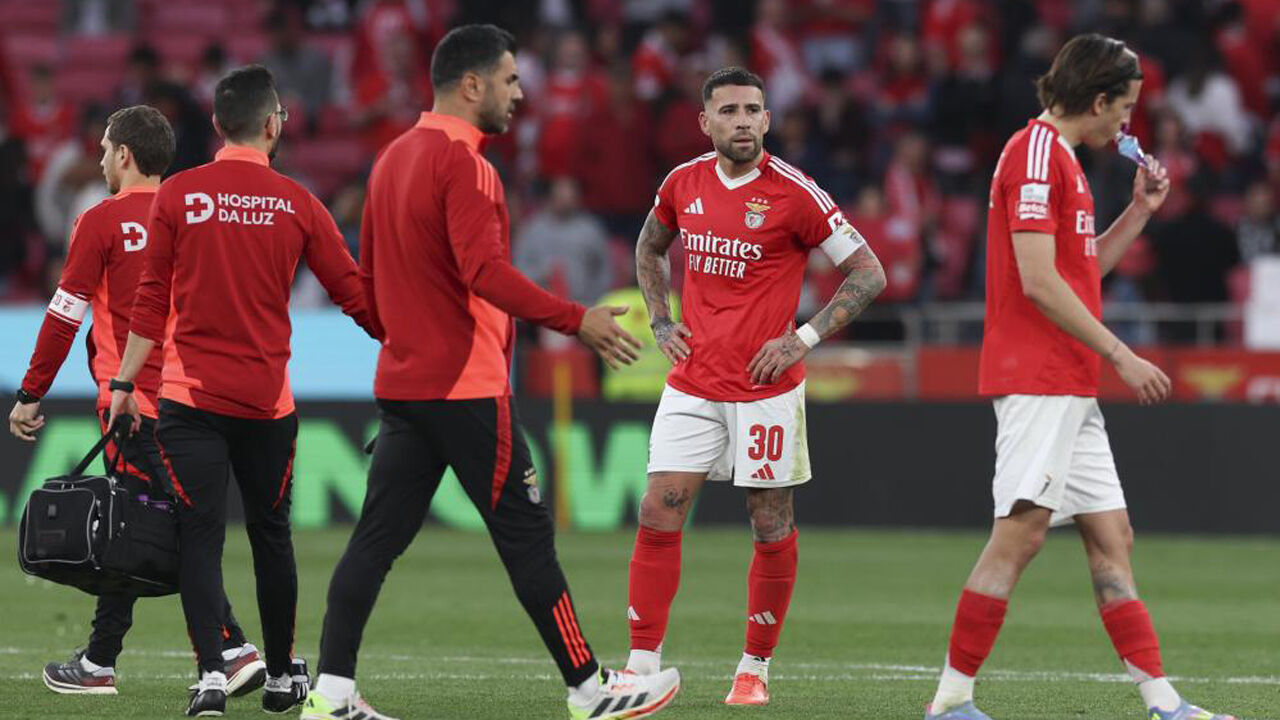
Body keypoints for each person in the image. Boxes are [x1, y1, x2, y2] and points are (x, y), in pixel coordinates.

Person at [307, 24, 681, 720]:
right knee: (526, 535)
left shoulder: (390, 159)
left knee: (374, 542)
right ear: (472, 84)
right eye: (510, 80)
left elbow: (370, 283)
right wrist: (577, 320)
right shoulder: (468, 164)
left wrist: (404, 341)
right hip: (467, 387)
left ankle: (330, 693)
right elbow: (485, 273)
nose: (519, 93)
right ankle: (588, 690)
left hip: (406, 385)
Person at [922, 34, 1235, 720]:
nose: (1127, 121)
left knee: (1112, 536)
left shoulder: (1060, 159)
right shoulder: (1035, 156)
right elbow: (1038, 282)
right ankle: (950, 700)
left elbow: (1077, 270)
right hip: (1038, 376)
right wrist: (1121, 353)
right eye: (1125, 106)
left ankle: (1163, 702)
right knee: (1021, 535)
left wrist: (1140, 211)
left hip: (1068, 377)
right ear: (1097, 101)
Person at [106, 67, 376, 717]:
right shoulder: (298, 201)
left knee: (199, 537)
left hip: (190, 399)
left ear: (217, 124)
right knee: (271, 537)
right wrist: (414, 346)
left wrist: (123, 383)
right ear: (273, 124)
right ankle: (281, 676)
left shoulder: (179, 194)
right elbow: (356, 297)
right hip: (267, 403)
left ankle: (211, 676)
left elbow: (150, 301)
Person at [627, 66, 886, 706]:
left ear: (767, 120)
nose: (742, 121)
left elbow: (868, 272)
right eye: (729, 111)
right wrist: (660, 320)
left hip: (767, 388)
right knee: (659, 508)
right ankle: (639, 664)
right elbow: (650, 247)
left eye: (752, 110)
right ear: (705, 122)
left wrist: (804, 338)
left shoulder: (796, 193)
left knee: (769, 520)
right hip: (693, 381)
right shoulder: (681, 183)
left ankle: (754, 667)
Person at [9, 104, 266, 699]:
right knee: (141, 526)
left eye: (104, 150)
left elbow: (64, 316)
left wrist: (30, 392)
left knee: (153, 528)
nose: (100, 160)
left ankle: (231, 646)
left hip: (133, 407)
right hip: (199, 400)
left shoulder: (99, 222)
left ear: (124, 154)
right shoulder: (195, 216)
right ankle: (101, 660)